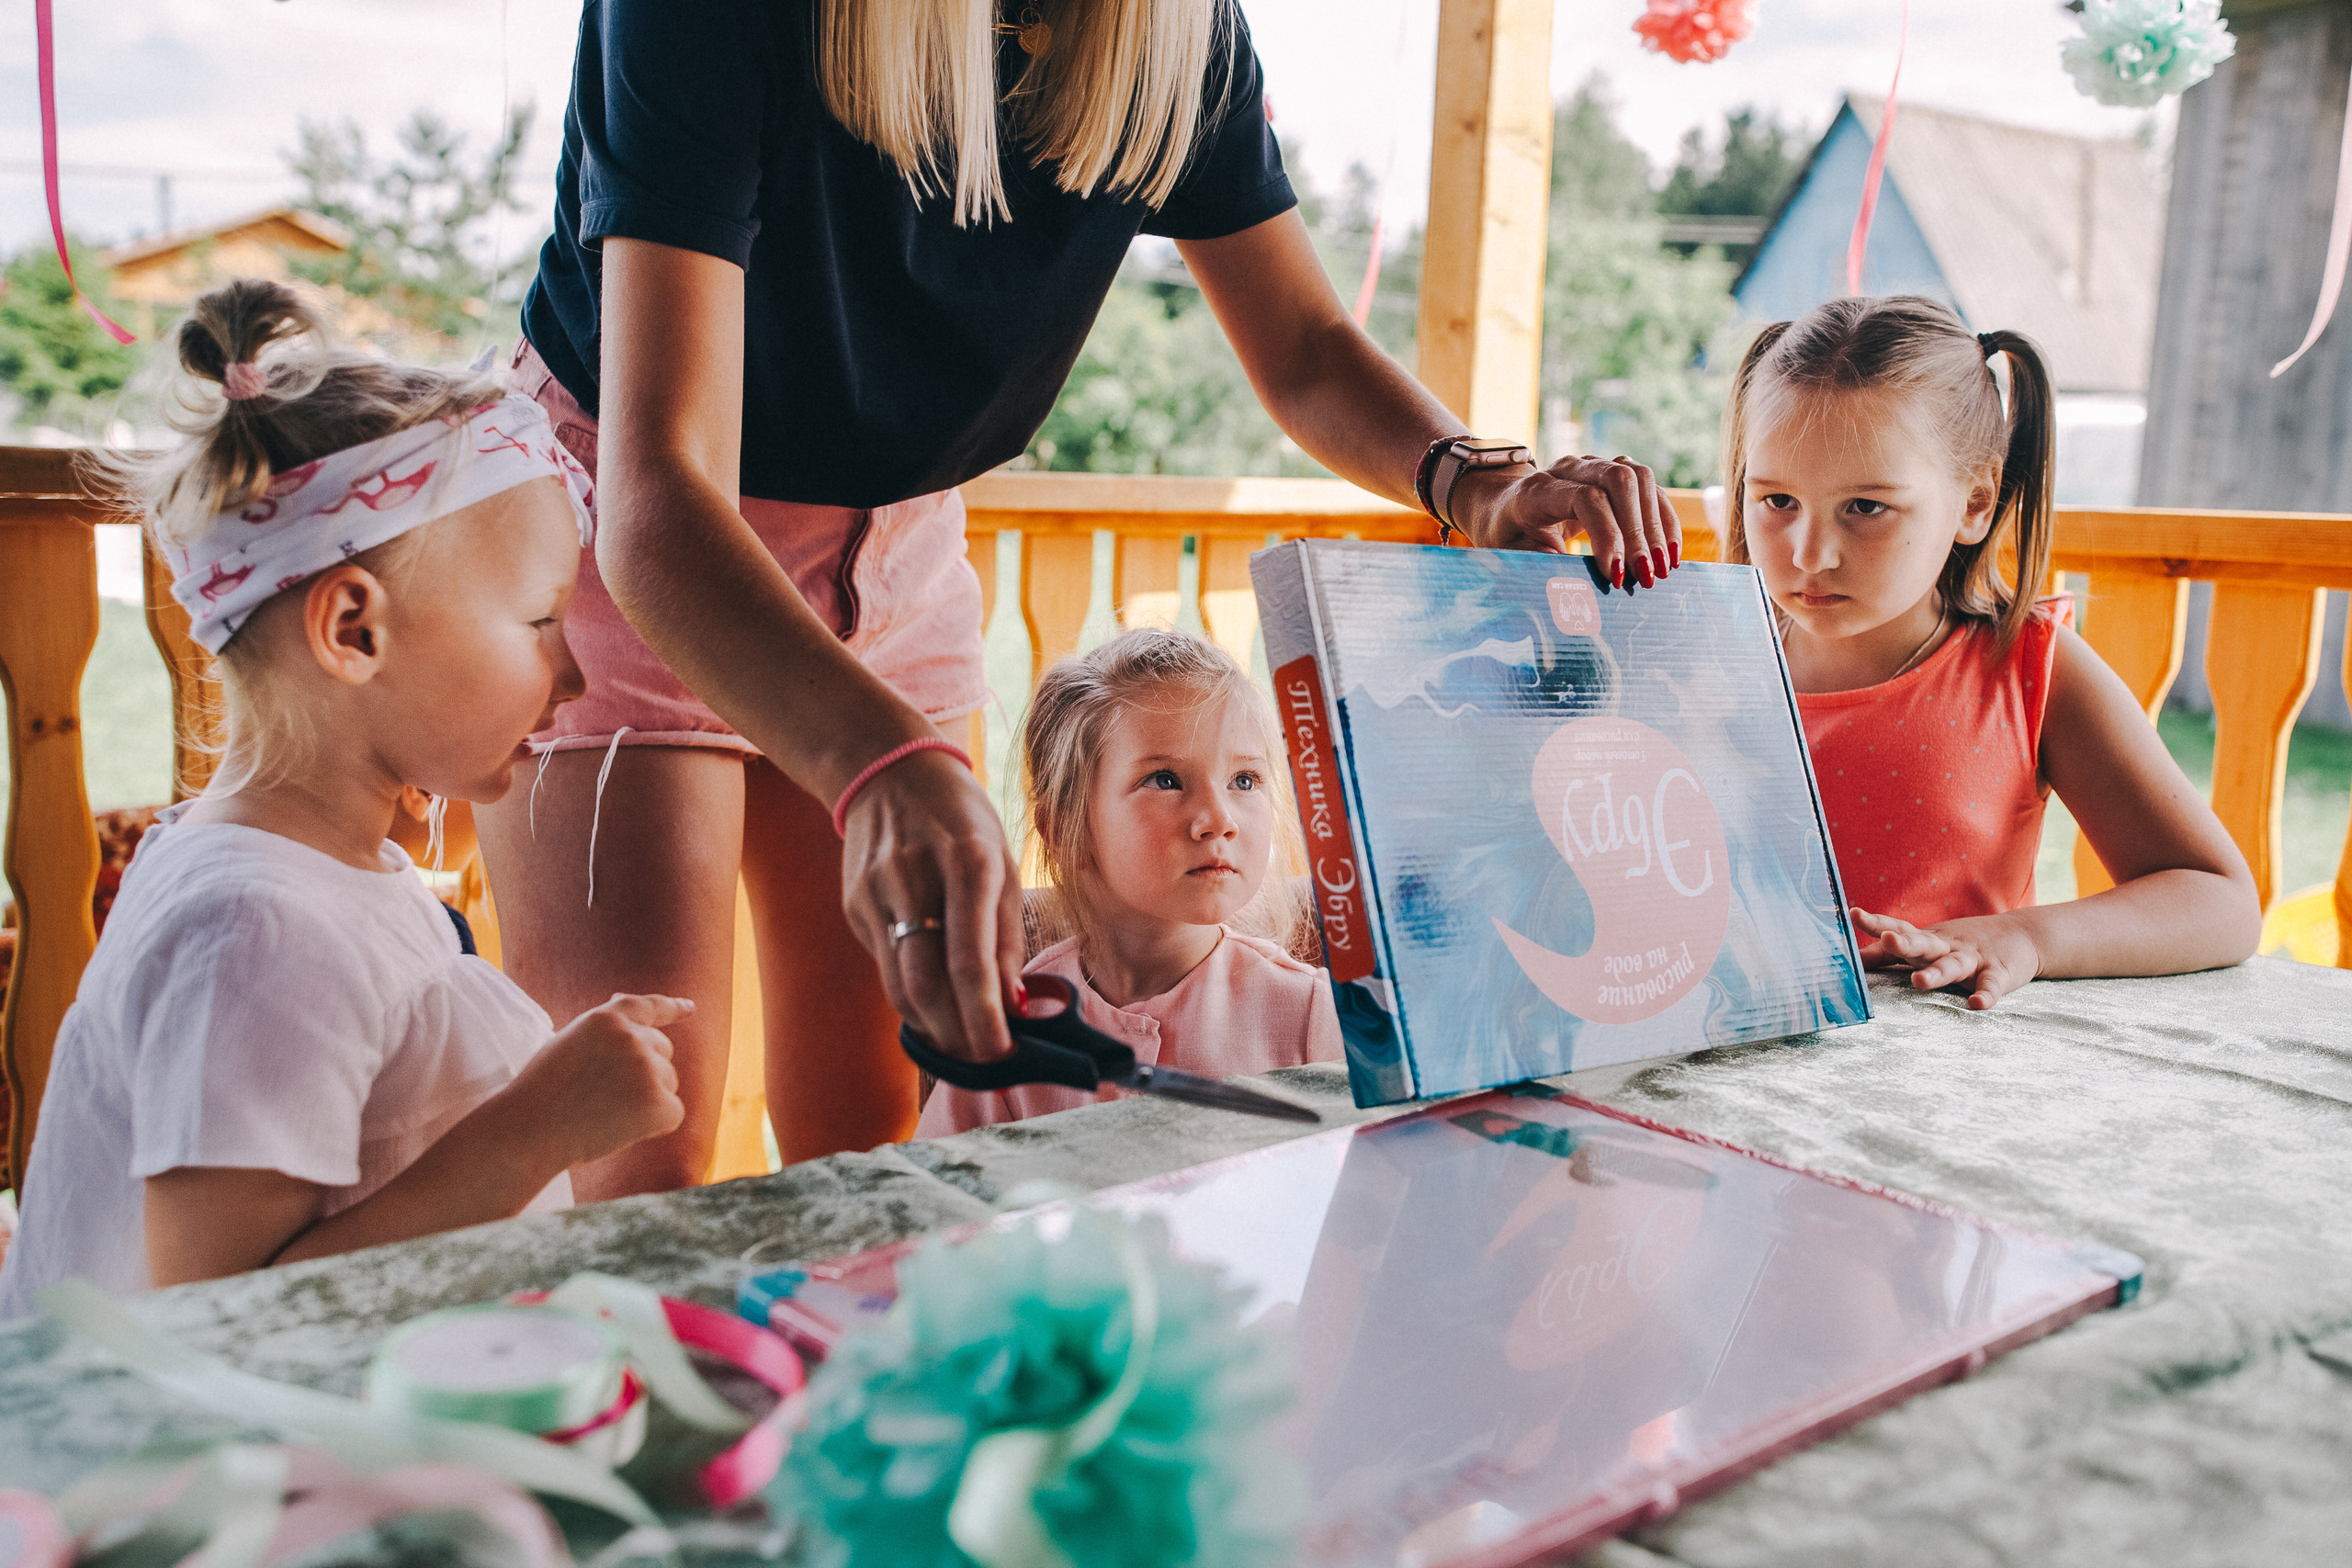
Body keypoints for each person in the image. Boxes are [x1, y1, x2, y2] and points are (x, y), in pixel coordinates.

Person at [484, 0, 1685, 1194]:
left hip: (897, 540)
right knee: (644, 1145)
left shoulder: (1175, 33)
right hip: (637, 525)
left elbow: (1307, 345)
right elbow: (659, 497)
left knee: (875, 1148)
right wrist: (879, 764)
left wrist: (1468, 479)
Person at [0, 282, 689, 1316]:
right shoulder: (253, 928)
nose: (574, 678)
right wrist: (538, 1125)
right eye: (540, 621)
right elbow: (224, 1314)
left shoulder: (319, 873)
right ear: (353, 631)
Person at [1720, 295, 2261, 1010]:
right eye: (1778, 501)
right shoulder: (1707, 657)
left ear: (1976, 502)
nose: (1810, 554)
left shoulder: (2032, 669)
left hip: (1950, 1084)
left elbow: (2220, 900)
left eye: (1865, 507)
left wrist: (2027, 939)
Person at [917, 629, 1340, 1134]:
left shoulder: (1315, 1016)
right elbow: (944, 1196)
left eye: (1244, 780)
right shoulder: (1013, 1030)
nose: (1218, 818)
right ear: (1065, 826)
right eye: (1165, 780)